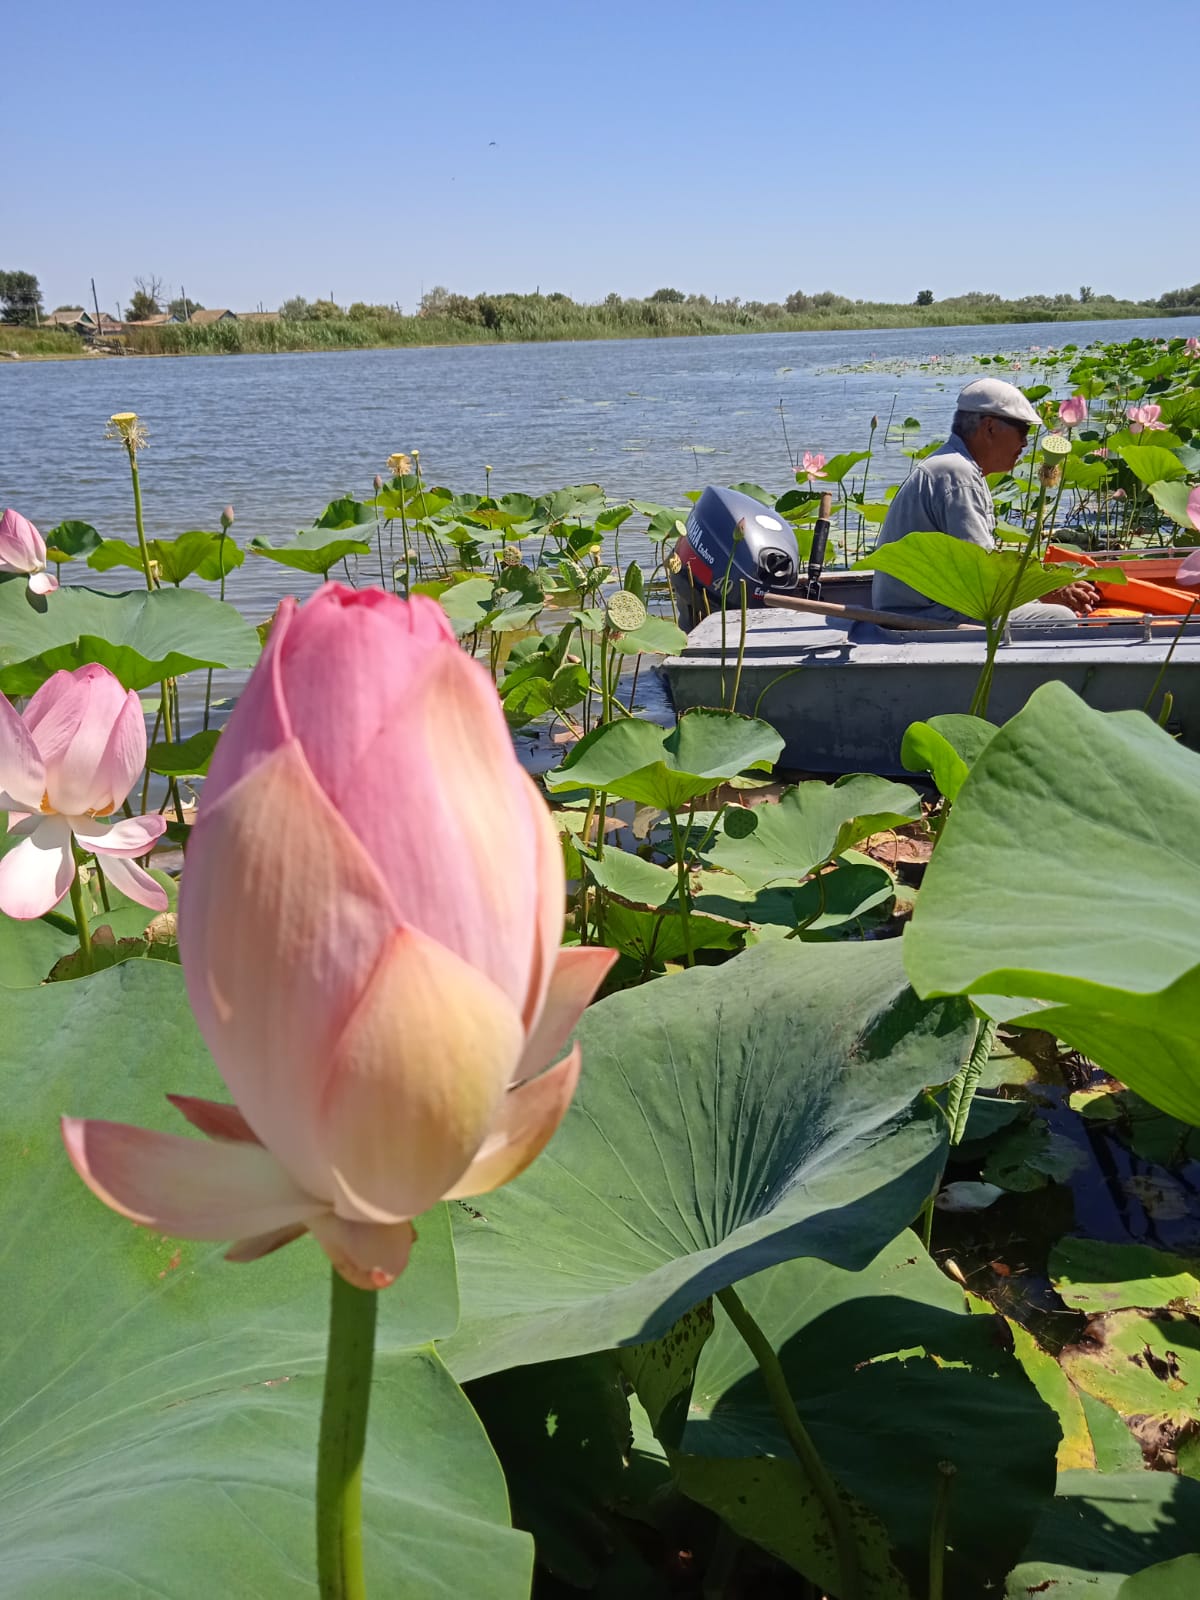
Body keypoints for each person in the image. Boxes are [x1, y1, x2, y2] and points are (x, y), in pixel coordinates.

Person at [871, 377, 1098, 625]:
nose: (1024, 443)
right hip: (924, 616)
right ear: (989, 428)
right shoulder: (958, 474)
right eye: (1022, 431)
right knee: (1060, 617)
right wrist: (1047, 589)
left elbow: (978, 561)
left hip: (927, 605)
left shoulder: (953, 465)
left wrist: (1046, 584)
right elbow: (981, 572)